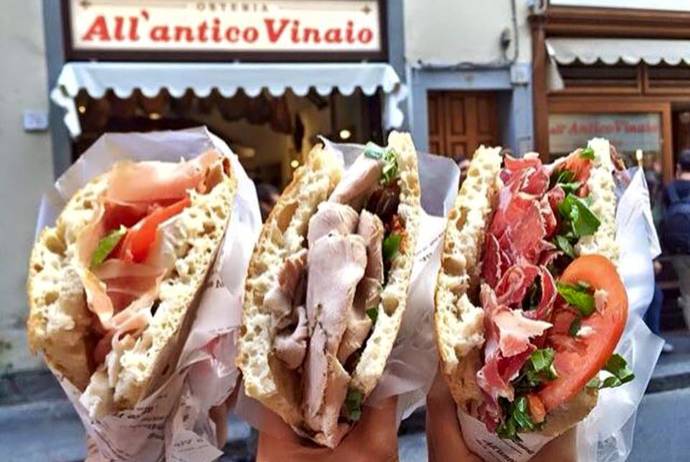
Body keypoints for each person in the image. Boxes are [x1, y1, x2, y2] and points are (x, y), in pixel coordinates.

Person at [662, 149, 690, 336]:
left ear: (678, 168)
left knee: (687, 294)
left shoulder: (670, 189)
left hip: (678, 251)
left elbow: (662, 217)